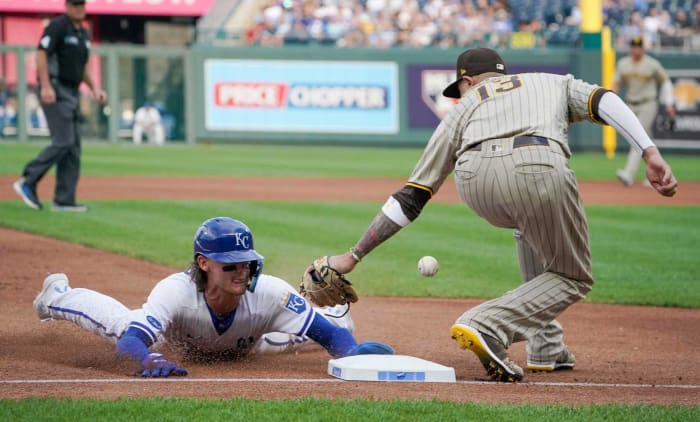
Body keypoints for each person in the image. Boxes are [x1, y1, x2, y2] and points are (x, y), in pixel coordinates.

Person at [312, 47, 677, 383]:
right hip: (538, 164)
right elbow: (604, 99)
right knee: (572, 275)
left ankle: (546, 345)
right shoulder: (550, 82)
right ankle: (487, 324)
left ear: (469, 82)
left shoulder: (464, 108)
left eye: (459, 88)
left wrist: (354, 254)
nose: (459, 94)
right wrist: (648, 150)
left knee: (529, 231)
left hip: (473, 180)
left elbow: (412, 195)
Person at [32, 217, 394, 377]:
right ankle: (57, 296)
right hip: (176, 340)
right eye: (231, 266)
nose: (241, 272)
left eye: (247, 265)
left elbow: (328, 336)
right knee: (121, 323)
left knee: (310, 330)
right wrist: (147, 359)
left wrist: (351, 354)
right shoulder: (176, 291)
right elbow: (130, 344)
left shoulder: (267, 291)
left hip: (249, 342)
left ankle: (340, 317)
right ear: (203, 263)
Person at [13, 0, 107, 212]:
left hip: (72, 91)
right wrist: (46, 86)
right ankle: (28, 179)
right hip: (55, 89)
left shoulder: (83, 34)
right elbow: (41, 53)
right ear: (66, 7)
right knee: (63, 140)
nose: (79, 8)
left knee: (73, 147)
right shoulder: (58, 26)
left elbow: (81, 67)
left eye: (81, 4)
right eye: (75, 5)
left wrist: (94, 88)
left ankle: (64, 200)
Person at [612, 36, 675, 187]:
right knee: (647, 140)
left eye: (639, 46)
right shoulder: (623, 64)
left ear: (643, 48)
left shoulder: (651, 64)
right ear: (630, 48)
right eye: (633, 46)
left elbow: (665, 82)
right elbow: (615, 84)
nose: (636, 49)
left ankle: (628, 173)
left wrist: (669, 103)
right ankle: (659, 174)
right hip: (631, 105)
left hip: (648, 104)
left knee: (637, 137)